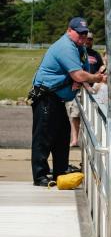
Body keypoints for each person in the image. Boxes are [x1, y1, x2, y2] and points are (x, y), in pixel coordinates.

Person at [30, 16, 106, 186]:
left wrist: (85, 79)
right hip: (46, 98)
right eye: (79, 33)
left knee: (62, 135)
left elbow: (82, 74)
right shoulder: (66, 46)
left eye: (85, 33)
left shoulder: (79, 48)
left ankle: (60, 171)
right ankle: (40, 176)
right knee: (43, 137)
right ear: (69, 31)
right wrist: (95, 78)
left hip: (56, 99)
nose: (83, 36)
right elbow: (79, 75)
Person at [67, 30, 106, 146]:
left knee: (91, 115)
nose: (88, 41)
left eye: (90, 39)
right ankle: (75, 140)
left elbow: (101, 70)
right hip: (78, 88)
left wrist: (100, 73)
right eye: (86, 39)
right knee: (75, 114)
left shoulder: (95, 55)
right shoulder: (76, 53)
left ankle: (89, 140)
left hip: (92, 90)